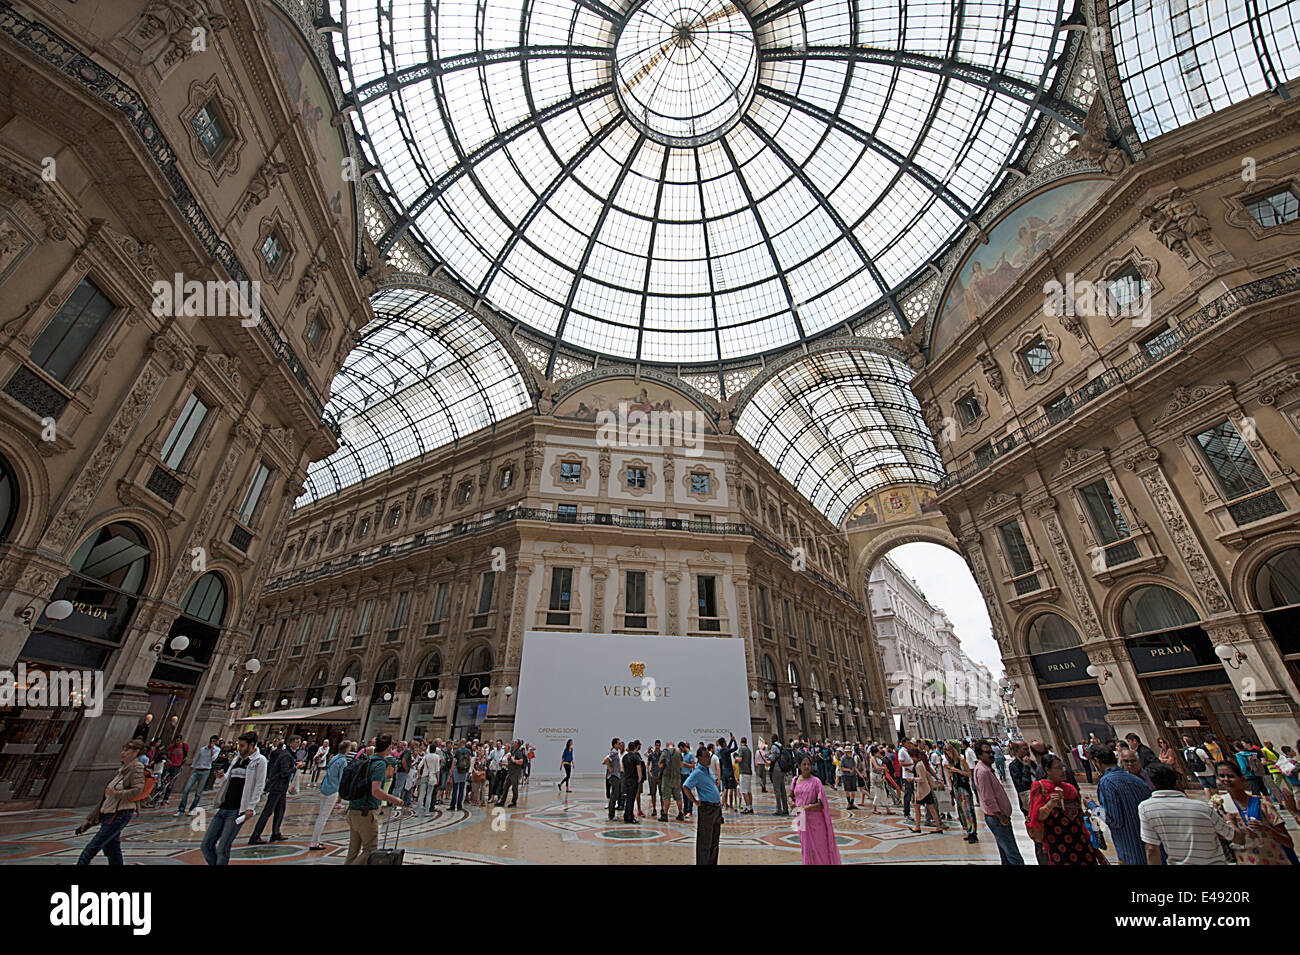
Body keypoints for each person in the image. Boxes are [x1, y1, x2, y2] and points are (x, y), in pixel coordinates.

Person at [1139, 762, 1245, 865]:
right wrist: (1229, 820)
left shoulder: (1146, 808)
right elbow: (1237, 838)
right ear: (1177, 782)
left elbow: (1151, 849)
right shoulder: (1202, 807)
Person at [77, 739, 149, 866]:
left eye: (127, 750)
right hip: (110, 813)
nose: (123, 753)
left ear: (136, 752)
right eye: (123, 749)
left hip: (120, 813)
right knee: (112, 849)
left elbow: (138, 790)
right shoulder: (122, 770)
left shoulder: (136, 768)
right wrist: (90, 819)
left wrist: (116, 793)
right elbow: (106, 797)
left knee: (93, 847)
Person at [199, 732, 267, 866]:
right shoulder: (237, 759)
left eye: (242, 746)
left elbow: (259, 785)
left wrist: (251, 807)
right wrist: (222, 776)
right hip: (224, 807)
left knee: (223, 847)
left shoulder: (260, 761)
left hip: (237, 810)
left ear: (251, 745)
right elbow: (229, 778)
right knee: (206, 844)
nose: (239, 749)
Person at [1212, 760, 1294, 865]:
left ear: (1242, 779)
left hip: (1274, 859)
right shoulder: (1221, 807)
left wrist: (1268, 830)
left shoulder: (1262, 805)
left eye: (1231, 776)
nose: (1226, 780)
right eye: (1221, 776)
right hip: (1245, 860)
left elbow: (1288, 842)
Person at [1028, 754, 1101, 865]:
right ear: (1047, 770)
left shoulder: (1070, 789)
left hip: (1079, 838)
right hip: (1058, 841)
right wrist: (1050, 804)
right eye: (1058, 768)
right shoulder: (1041, 787)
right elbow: (1038, 816)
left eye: (1062, 767)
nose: (1063, 771)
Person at [345, 733, 404, 865]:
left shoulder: (368, 760)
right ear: (389, 747)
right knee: (370, 850)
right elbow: (376, 790)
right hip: (366, 812)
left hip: (353, 810)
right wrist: (395, 800)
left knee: (353, 851)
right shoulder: (380, 765)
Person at [1092, 743, 1151, 865]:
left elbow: (1113, 820)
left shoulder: (1107, 782)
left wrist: (1092, 806)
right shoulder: (1136, 779)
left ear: (1097, 761)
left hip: (1129, 849)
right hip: (1149, 845)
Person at [973, 741, 1022, 864]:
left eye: (991, 752)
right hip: (997, 817)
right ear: (979, 754)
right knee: (1013, 854)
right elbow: (988, 798)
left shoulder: (985, 769)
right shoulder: (983, 772)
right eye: (987, 752)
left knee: (1005, 853)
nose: (991, 754)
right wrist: (1000, 816)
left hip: (997, 817)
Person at [792, 754, 841, 864]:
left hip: (816, 820)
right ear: (799, 766)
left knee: (819, 848)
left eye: (809, 764)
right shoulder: (795, 780)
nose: (806, 767)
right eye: (804, 764)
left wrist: (806, 807)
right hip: (802, 820)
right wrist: (791, 802)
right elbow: (791, 795)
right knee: (806, 847)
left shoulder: (816, 781)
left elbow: (821, 803)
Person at [249, 734, 298, 844]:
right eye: (297, 742)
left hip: (281, 788)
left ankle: (276, 833)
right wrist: (295, 767)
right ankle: (255, 835)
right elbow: (284, 772)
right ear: (291, 743)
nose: (298, 745)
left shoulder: (285, 753)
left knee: (280, 811)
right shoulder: (286, 755)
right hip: (278, 787)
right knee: (268, 811)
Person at [309, 739, 351, 850]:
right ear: (347, 749)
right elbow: (342, 777)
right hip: (332, 789)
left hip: (324, 787)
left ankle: (316, 840)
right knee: (323, 817)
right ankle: (314, 842)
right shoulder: (342, 761)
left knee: (321, 815)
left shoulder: (334, 758)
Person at [684, 744, 722, 865]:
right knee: (705, 841)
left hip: (716, 808)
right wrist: (695, 801)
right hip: (707, 809)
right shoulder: (697, 772)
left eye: (709, 756)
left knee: (714, 841)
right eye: (706, 756)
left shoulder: (707, 769)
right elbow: (686, 786)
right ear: (699, 758)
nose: (708, 759)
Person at [176, 735, 220, 815]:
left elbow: (213, 758)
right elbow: (196, 759)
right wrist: (192, 768)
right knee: (186, 789)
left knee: (198, 793)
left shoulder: (217, 750)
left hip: (206, 771)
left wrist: (211, 750)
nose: (212, 742)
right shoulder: (203, 749)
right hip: (197, 770)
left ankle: (192, 809)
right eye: (211, 741)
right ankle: (181, 809)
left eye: (214, 741)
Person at [943, 741, 977, 842]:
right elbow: (949, 777)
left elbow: (969, 774)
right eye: (946, 752)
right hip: (956, 787)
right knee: (961, 811)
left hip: (964, 787)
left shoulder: (961, 760)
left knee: (968, 810)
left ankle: (973, 833)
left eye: (949, 751)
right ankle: (967, 830)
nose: (948, 754)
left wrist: (957, 771)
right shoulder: (949, 763)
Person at [907, 746, 943, 834]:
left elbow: (922, 778)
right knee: (926, 807)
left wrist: (912, 779)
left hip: (922, 790)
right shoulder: (920, 763)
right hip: (924, 789)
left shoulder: (919, 765)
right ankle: (935, 826)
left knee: (921, 807)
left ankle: (918, 827)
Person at [659, 740, 684, 821]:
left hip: (667, 778)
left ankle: (665, 815)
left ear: (667, 745)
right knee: (678, 797)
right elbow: (681, 765)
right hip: (677, 778)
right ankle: (680, 814)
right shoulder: (678, 752)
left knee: (666, 797)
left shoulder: (665, 752)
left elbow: (660, 765)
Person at [497, 739, 526, 808]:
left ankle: (514, 802)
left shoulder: (518, 752)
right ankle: (502, 801)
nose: (513, 743)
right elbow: (510, 762)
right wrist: (507, 760)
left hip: (515, 773)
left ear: (518, 744)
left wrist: (513, 760)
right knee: (505, 786)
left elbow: (521, 762)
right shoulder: (512, 751)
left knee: (514, 788)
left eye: (515, 742)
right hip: (510, 772)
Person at [622, 740, 645, 823]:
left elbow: (623, 768)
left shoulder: (625, 757)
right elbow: (638, 768)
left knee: (628, 798)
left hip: (626, 779)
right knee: (631, 799)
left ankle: (626, 815)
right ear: (634, 747)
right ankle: (630, 817)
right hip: (633, 780)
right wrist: (640, 778)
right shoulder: (635, 757)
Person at [768, 736, 791, 815]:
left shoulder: (774, 746)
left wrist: (767, 756)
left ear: (773, 739)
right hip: (782, 768)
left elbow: (773, 758)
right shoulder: (781, 745)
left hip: (776, 768)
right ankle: (785, 808)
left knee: (777, 789)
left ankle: (779, 809)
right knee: (782, 789)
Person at [449, 738, 470, 811]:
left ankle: (452, 805)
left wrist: (451, 773)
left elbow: (454, 761)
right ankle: (459, 805)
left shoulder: (458, 751)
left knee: (455, 789)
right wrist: (468, 770)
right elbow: (470, 761)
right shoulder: (468, 751)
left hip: (457, 771)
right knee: (461, 789)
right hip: (464, 771)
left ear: (460, 743)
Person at [605, 738, 623, 820]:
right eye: (619, 743)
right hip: (614, 776)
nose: (620, 745)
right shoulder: (614, 752)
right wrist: (610, 768)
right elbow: (606, 760)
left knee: (614, 795)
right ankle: (611, 815)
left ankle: (611, 814)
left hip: (616, 775)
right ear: (615, 744)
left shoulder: (616, 752)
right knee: (614, 795)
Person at [735, 736, 754, 814]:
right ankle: (750, 806)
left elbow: (740, 759)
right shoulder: (749, 750)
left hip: (744, 772)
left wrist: (736, 757)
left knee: (744, 791)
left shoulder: (742, 749)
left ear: (740, 742)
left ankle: (747, 807)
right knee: (749, 791)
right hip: (749, 771)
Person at [837, 744, 859, 811]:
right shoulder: (843, 758)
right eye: (849, 752)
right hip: (846, 776)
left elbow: (854, 767)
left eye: (850, 752)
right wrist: (848, 770)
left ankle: (852, 803)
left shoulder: (852, 758)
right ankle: (849, 803)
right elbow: (841, 768)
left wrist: (859, 774)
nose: (850, 753)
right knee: (847, 790)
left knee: (853, 790)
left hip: (852, 776)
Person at [646, 740, 662, 817]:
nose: (657, 747)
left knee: (662, 794)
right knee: (653, 793)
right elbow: (648, 764)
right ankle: (654, 809)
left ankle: (662, 809)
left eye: (659, 745)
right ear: (655, 745)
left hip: (660, 776)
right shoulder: (651, 755)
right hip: (654, 775)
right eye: (656, 745)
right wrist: (649, 773)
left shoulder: (662, 754)